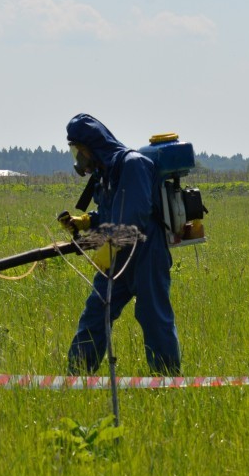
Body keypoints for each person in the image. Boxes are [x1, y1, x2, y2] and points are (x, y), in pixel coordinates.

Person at [59, 113, 181, 376]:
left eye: (79, 152)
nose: (78, 160)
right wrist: (85, 222)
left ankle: (168, 380)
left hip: (147, 255)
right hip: (117, 258)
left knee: (153, 318)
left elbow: (134, 216)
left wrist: (109, 247)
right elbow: (110, 214)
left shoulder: (133, 164)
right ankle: (77, 376)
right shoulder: (107, 173)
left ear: (93, 147)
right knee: (95, 315)